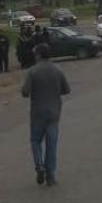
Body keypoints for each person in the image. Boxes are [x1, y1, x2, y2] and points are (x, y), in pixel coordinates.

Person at [20, 43, 70, 186]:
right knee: (51, 144)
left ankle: (39, 166)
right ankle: (51, 176)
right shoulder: (58, 70)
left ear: (39, 55)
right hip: (54, 112)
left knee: (35, 141)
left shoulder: (32, 71)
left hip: (37, 112)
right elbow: (66, 90)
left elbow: (25, 92)